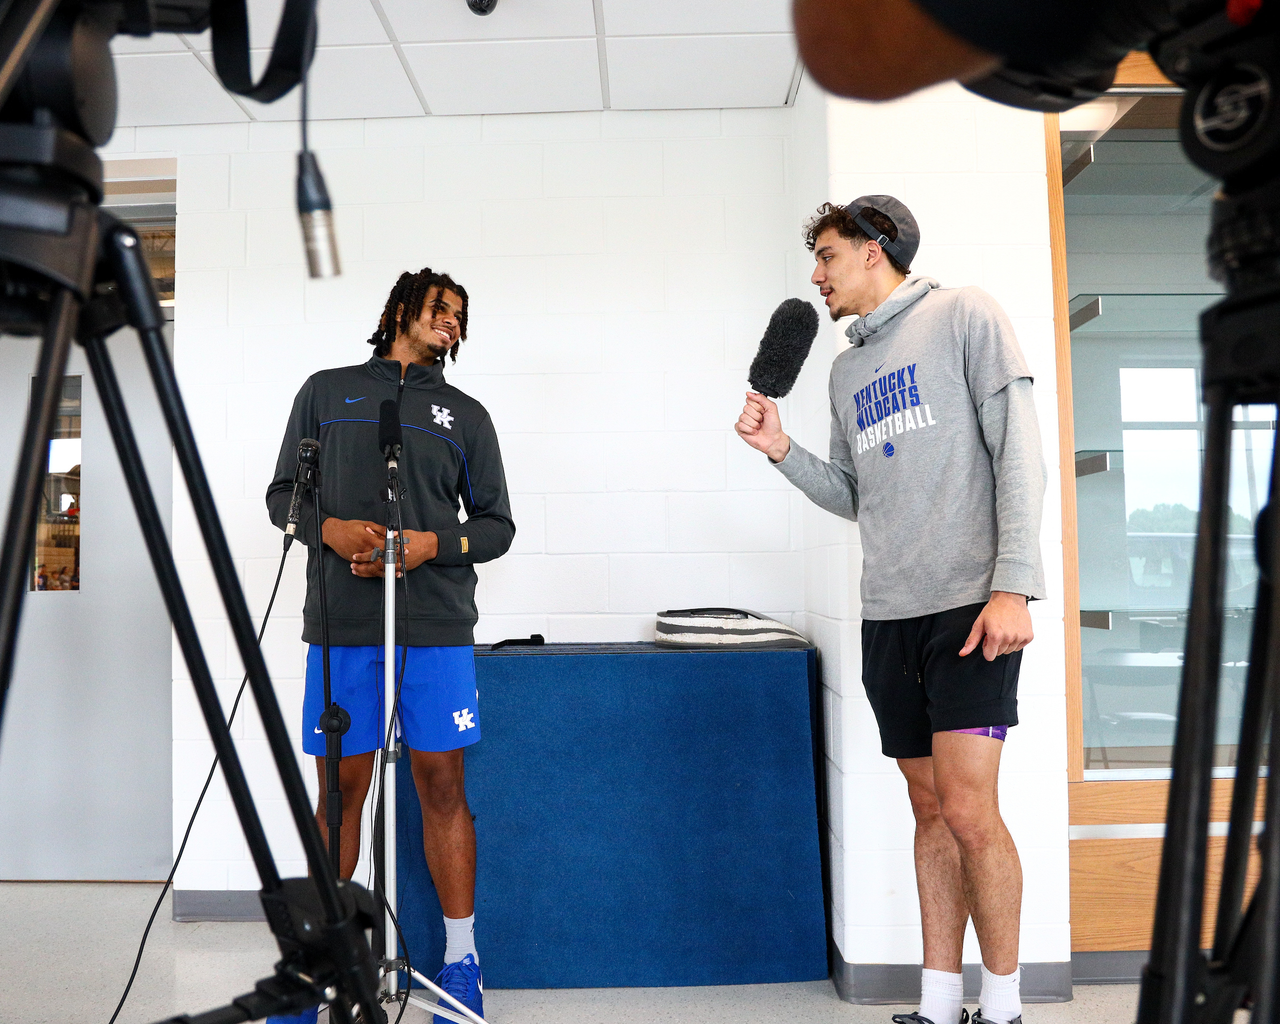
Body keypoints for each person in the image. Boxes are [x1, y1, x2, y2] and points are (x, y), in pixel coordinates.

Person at [736, 197, 1045, 1024]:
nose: (817, 275)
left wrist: (1014, 583)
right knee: (929, 807)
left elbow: (1019, 448)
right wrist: (780, 450)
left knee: (972, 808)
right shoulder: (844, 372)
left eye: (828, 257)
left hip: (973, 611)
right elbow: (852, 493)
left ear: (875, 251)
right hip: (890, 617)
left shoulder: (964, 315)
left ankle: (1006, 1006)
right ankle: (941, 1003)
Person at [266, 267, 515, 1024]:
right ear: (401, 311)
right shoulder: (326, 391)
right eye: (441, 309)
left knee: (441, 785)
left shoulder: (465, 415)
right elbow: (283, 497)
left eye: (461, 317)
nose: (452, 324)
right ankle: (315, 968)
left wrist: (433, 543)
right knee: (340, 790)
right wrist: (328, 530)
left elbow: (497, 527)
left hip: (435, 628)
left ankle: (463, 962)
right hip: (343, 625)